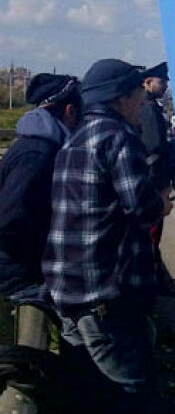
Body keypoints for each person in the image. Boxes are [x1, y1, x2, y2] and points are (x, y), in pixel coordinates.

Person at [43, 59, 173, 411]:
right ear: (120, 98)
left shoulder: (74, 139)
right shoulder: (118, 138)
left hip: (69, 290)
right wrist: (161, 202)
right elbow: (142, 208)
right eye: (138, 96)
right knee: (132, 392)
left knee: (87, 393)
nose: (143, 102)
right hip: (106, 296)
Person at [0, 74, 81, 356]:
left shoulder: (36, 144)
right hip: (19, 277)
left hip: (21, 271)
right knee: (24, 353)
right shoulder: (39, 154)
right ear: (69, 111)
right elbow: (11, 219)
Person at [140, 62, 175, 294]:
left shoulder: (153, 107)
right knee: (152, 232)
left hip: (155, 177)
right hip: (154, 179)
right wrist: (162, 183)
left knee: (154, 233)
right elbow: (154, 146)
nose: (165, 85)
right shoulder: (148, 109)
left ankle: (154, 276)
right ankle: (153, 278)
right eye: (161, 81)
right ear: (148, 82)